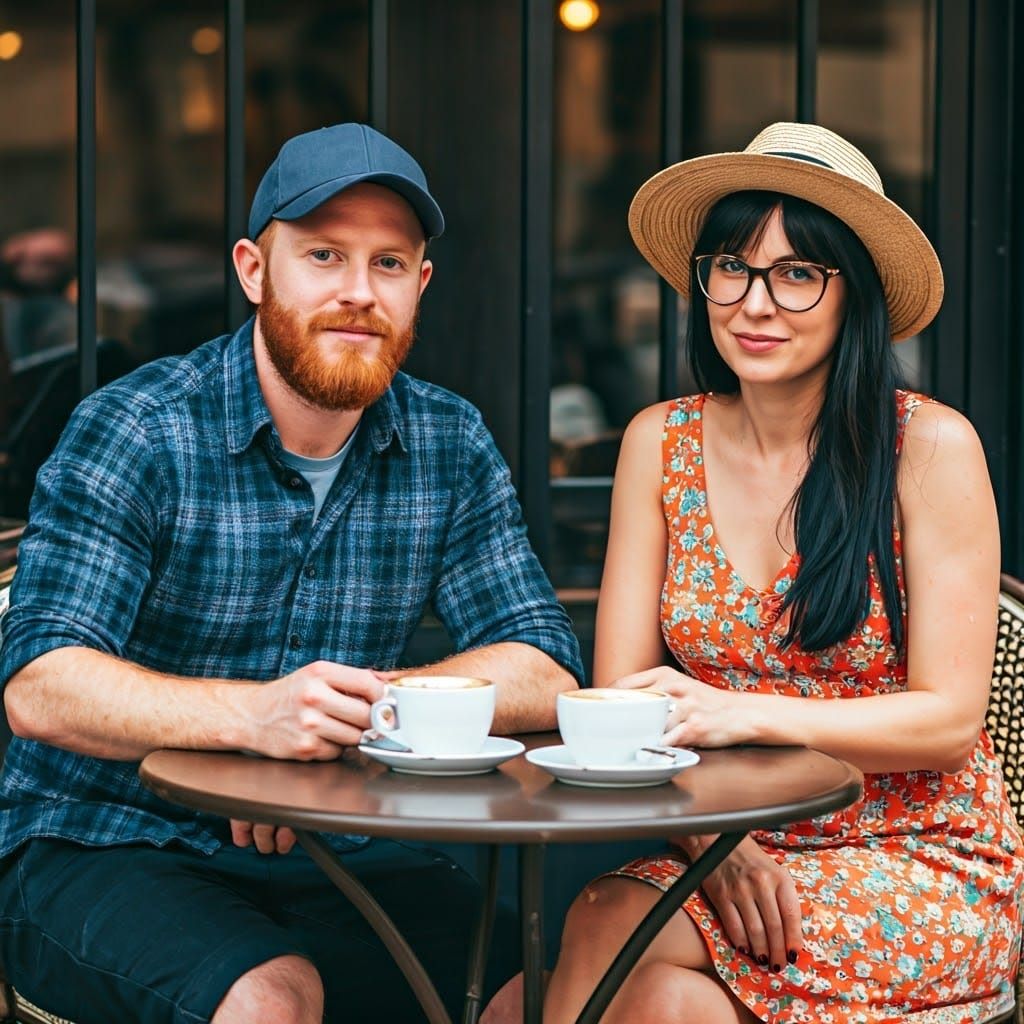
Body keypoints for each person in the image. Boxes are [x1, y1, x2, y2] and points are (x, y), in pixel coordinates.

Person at [0, 122, 583, 1024]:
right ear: (252, 269)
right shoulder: (139, 428)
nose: (358, 292)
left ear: (419, 285)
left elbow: (543, 664)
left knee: (542, 989)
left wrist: (348, 721)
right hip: (108, 840)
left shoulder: (447, 440)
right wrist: (253, 720)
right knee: (272, 997)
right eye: (323, 255)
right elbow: (42, 686)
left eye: (389, 263)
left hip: (335, 846)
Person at [541, 123, 1023, 1022]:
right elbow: (618, 703)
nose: (755, 304)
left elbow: (950, 721)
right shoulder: (659, 442)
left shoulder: (929, 446)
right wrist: (710, 840)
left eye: (798, 274)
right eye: (733, 266)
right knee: (624, 950)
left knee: (609, 965)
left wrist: (740, 712)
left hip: (920, 853)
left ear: (856, 296)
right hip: (725, 836)